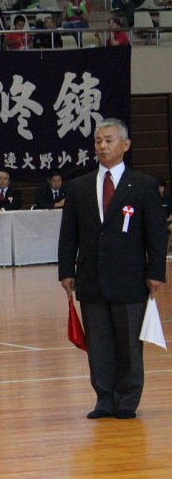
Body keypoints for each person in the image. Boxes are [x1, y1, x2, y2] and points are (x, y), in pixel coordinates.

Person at [58, 118, 167, 419]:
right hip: (91, 278)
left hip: (131, 279)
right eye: (98, 141)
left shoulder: (143, 185)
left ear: (125, 145)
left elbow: (157, 234)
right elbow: (68, 235)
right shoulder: (79, 186)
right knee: (99, 344)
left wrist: (156, 272)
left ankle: (127, 400)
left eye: (108, 140)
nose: (102, 146)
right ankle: (104, 399)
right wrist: (66, 271)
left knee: (129, 343)